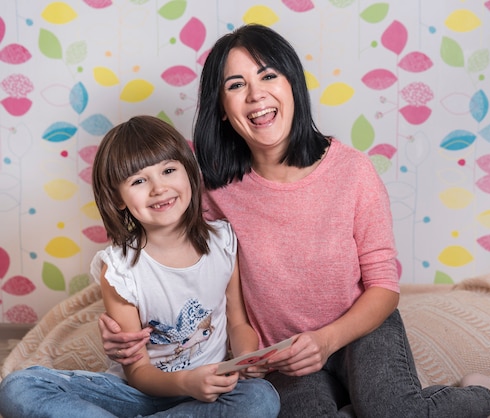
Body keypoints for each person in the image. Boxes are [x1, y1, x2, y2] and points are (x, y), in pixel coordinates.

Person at [98, 25, 490, 417]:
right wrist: (129, 331)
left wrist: (327, 340)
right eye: (237, 85)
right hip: (281, 353)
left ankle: (484, 394)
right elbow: (178, 261)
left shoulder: (352, 171)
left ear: (293, 85)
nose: (256, 95)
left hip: (362, 328)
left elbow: (384, 286)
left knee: (392, 410)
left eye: (269, 75)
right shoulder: (213, 189)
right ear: (223, 107)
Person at [0, 115, 280, 418]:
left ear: (189, 174)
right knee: (19, 386)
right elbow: (138, 372)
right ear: (118, 198)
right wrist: (186, 381)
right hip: (138, 393)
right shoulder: (120, 270)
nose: (159, 188)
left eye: (169, 170)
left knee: (261, 397)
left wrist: (248, 358)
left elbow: (238, 323)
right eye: (138, 181)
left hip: (207, 394)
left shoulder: (223, 242)